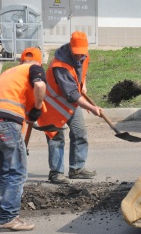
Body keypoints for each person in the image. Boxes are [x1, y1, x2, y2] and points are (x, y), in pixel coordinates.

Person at [0, 47, 46, 232]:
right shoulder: (34, 69)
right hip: (6, 123)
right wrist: (38, 106)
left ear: (21, 60)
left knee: (6, 170)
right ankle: (9, 218)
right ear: (39, 62)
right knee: (17, 172)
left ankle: (6, 216)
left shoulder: (9, 72)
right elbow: (40, 86)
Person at [36, 31, 102, 184]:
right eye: (77, 54)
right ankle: (56, 173)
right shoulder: (60, 65)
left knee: (80, 133)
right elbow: (72, 94)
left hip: (70, 102)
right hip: (52, 104)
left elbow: (81, 74)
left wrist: (83, 84)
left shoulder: (84, 56)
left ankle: (77, 169)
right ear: (71, 47)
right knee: (56, 137)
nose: (80, 57)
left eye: (82, 53)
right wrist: (92, 108)